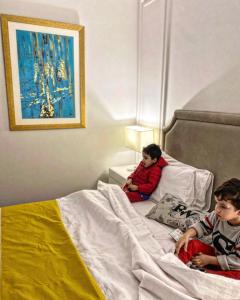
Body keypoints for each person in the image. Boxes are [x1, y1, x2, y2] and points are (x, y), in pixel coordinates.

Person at [175, 178, 240, 279]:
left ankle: (205, 276)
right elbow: (202, 226)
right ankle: (174, 266)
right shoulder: (217, 215)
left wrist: (209, 260)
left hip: (235, 267)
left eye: (223, 206)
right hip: (216, 256)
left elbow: (237, 262)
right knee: (191, 244)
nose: (217, 209)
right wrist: (187, 235)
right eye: (216, 203)